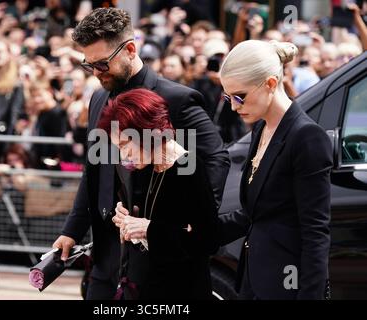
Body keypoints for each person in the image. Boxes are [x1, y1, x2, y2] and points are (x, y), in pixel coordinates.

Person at [52, 7, 230, 300]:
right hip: (108, 254)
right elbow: (94, 170)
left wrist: (179, 225)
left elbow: (214, 159)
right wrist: (72, 230)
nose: (96, 73)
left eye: (102, 64)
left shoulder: (175, 99)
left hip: (155, 259)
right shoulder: (98, 99)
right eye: (88, 65)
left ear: (130, 49)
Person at [217, 40, 333, 299]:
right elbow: (255, 213)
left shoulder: (306, 137)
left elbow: (315, 231)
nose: (234, 106)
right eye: (228, 97)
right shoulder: (261, 127)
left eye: (239, 96)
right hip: (254, 280)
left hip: (287, 287)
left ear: (270, 83)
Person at [97, 88, 220, 299]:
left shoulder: (188, 167)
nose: (123, 153)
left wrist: (148, 229)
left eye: (126, 144)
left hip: (182, 290)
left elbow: (207, 240)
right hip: (146, 286)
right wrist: (125, 219)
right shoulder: (145, 167)